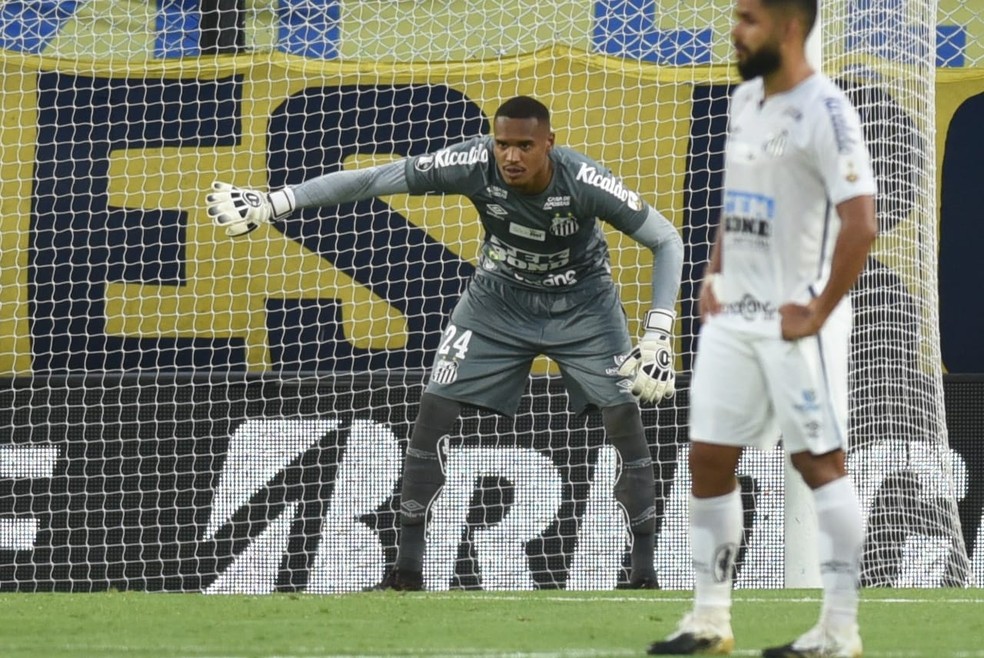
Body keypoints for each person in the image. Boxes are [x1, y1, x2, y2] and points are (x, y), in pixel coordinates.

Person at [206, 96, 684, 591]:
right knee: (432, 412)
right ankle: (407, 570)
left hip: (584, 306)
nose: (511, 157)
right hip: (496, 301)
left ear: (549, 145)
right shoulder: (472, 162)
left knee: (624, 418)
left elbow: (667, 239)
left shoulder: (585, 181)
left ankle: (643, 571)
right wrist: (274, 202)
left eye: (525, 145)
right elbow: (372, 179)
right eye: (503, 144)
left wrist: (659, 330)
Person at [646, 0, 877, 656]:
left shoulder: (827, 110)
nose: (735, 30)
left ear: (789, 25)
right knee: (709, 460)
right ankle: (710, 620)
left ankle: (839, 630)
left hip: (795, 323)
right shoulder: (744, 102)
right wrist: (714, 272)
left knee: (819, 463)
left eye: (748, 18)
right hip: (733, 318)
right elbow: (740, 198)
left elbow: (861, 222)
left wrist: (820, 310)